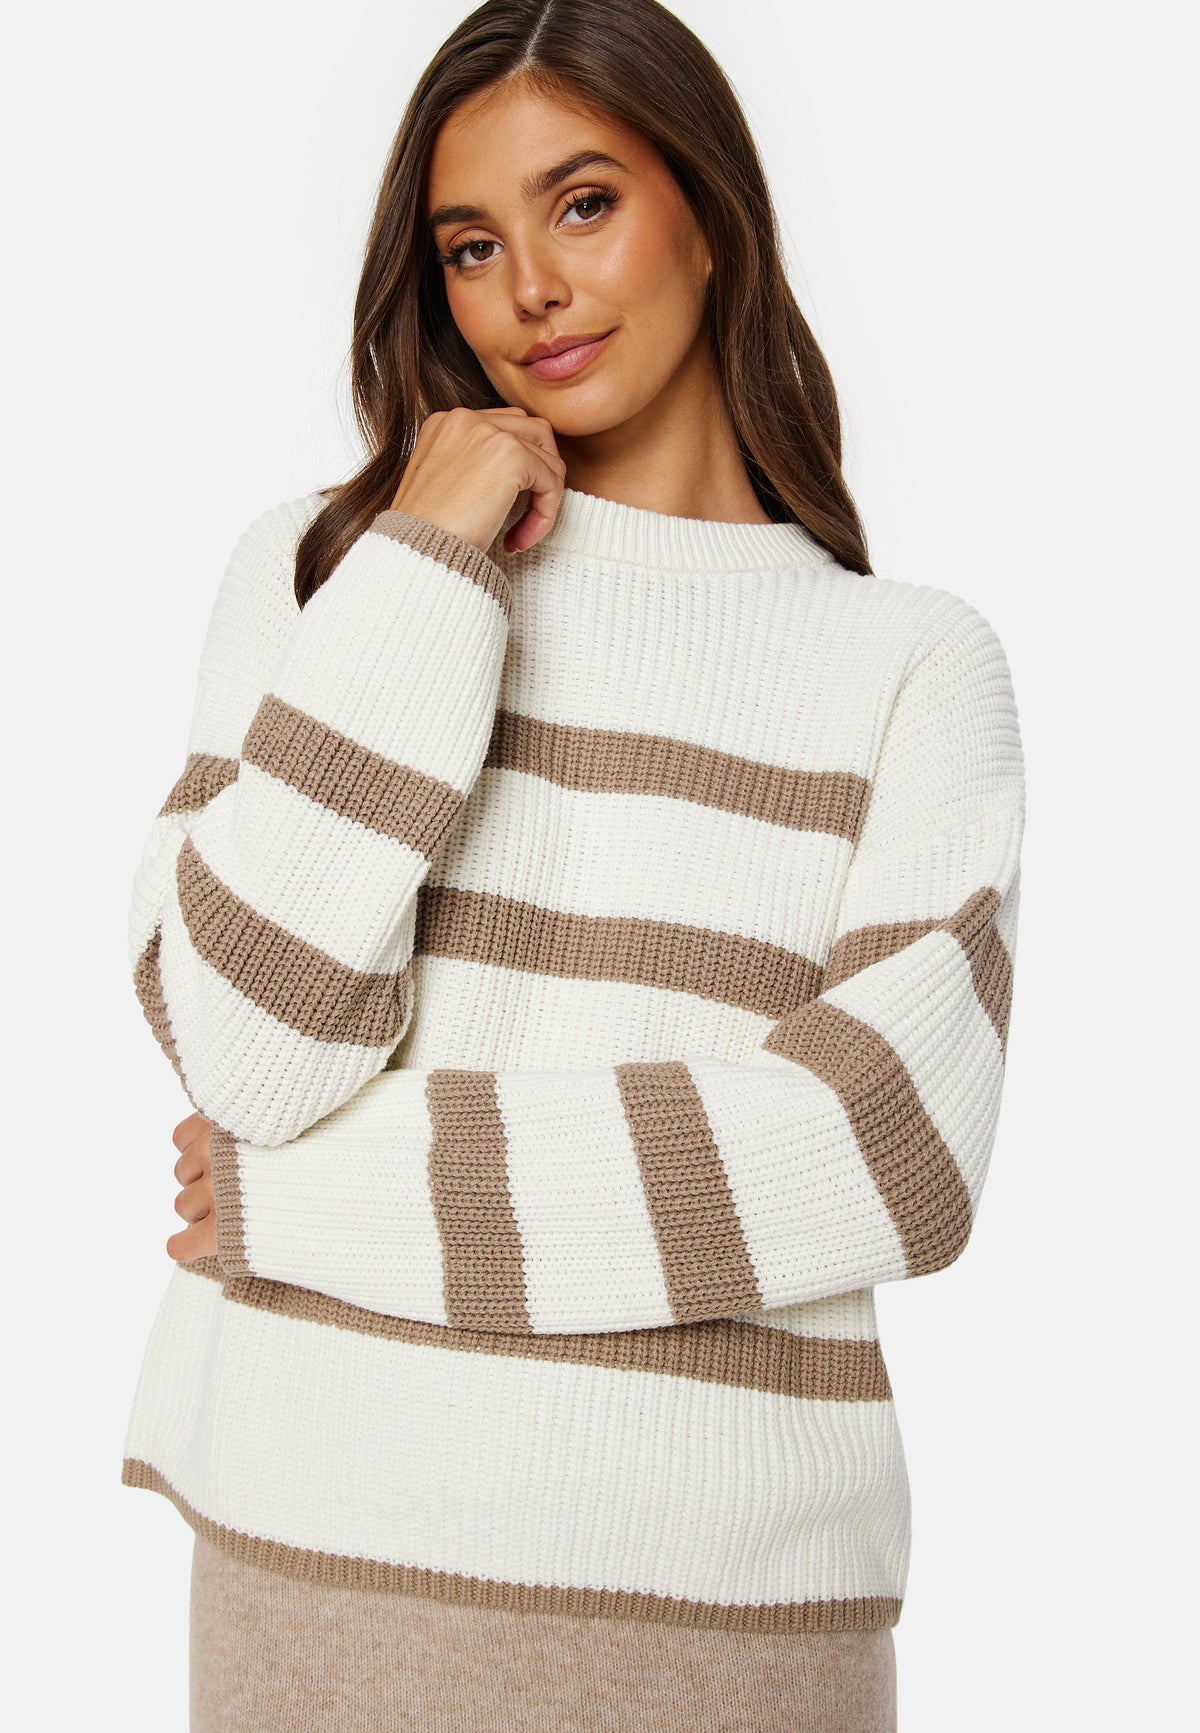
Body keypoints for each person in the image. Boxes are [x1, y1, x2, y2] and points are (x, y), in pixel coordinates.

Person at [119, 2, 1025, 1728]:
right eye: (472, 245)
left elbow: (880, 1149)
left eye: (584, 203)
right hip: (316, 1577)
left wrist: (314, 1204)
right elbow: (247, 1047)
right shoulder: (333, 576)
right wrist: (429, 556)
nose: (528, 287)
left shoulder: (910, 663)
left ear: (712, 209)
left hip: (728, 1617)